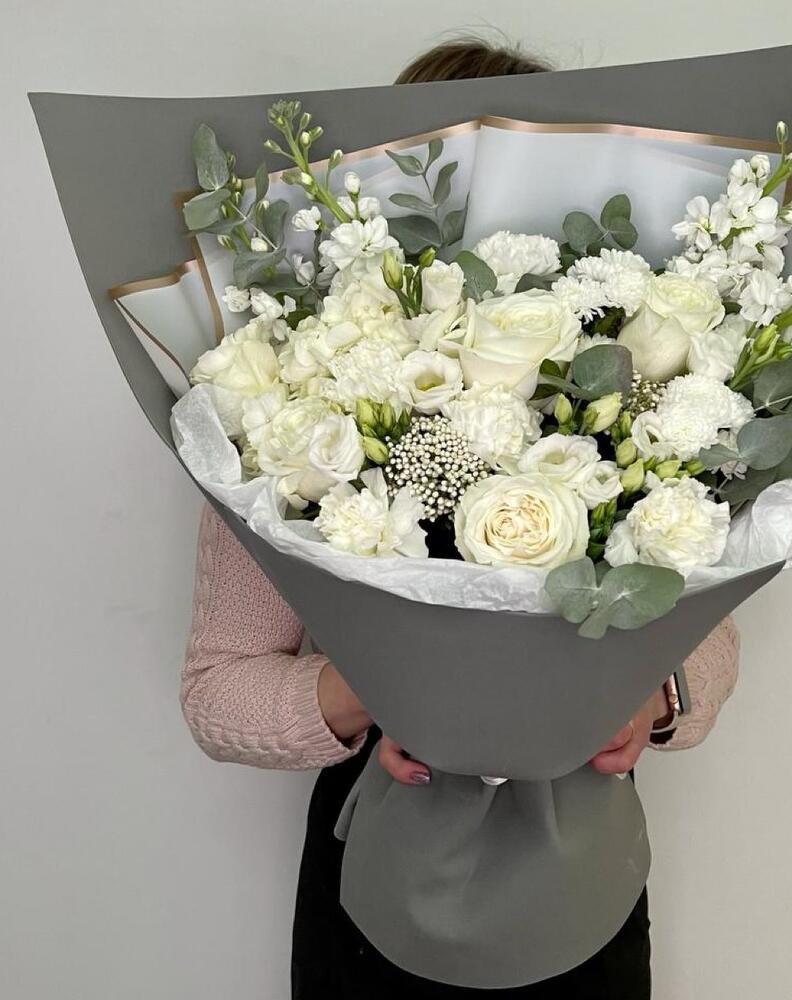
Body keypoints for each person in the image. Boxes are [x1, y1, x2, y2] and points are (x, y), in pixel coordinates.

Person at [181, 36, 742, 1000]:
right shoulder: (294, 416)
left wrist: (656, 701)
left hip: (583, 874)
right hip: (378, 873)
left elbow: (709, 628)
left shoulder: (637, 390)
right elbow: (215, 693)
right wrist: (380, 692)